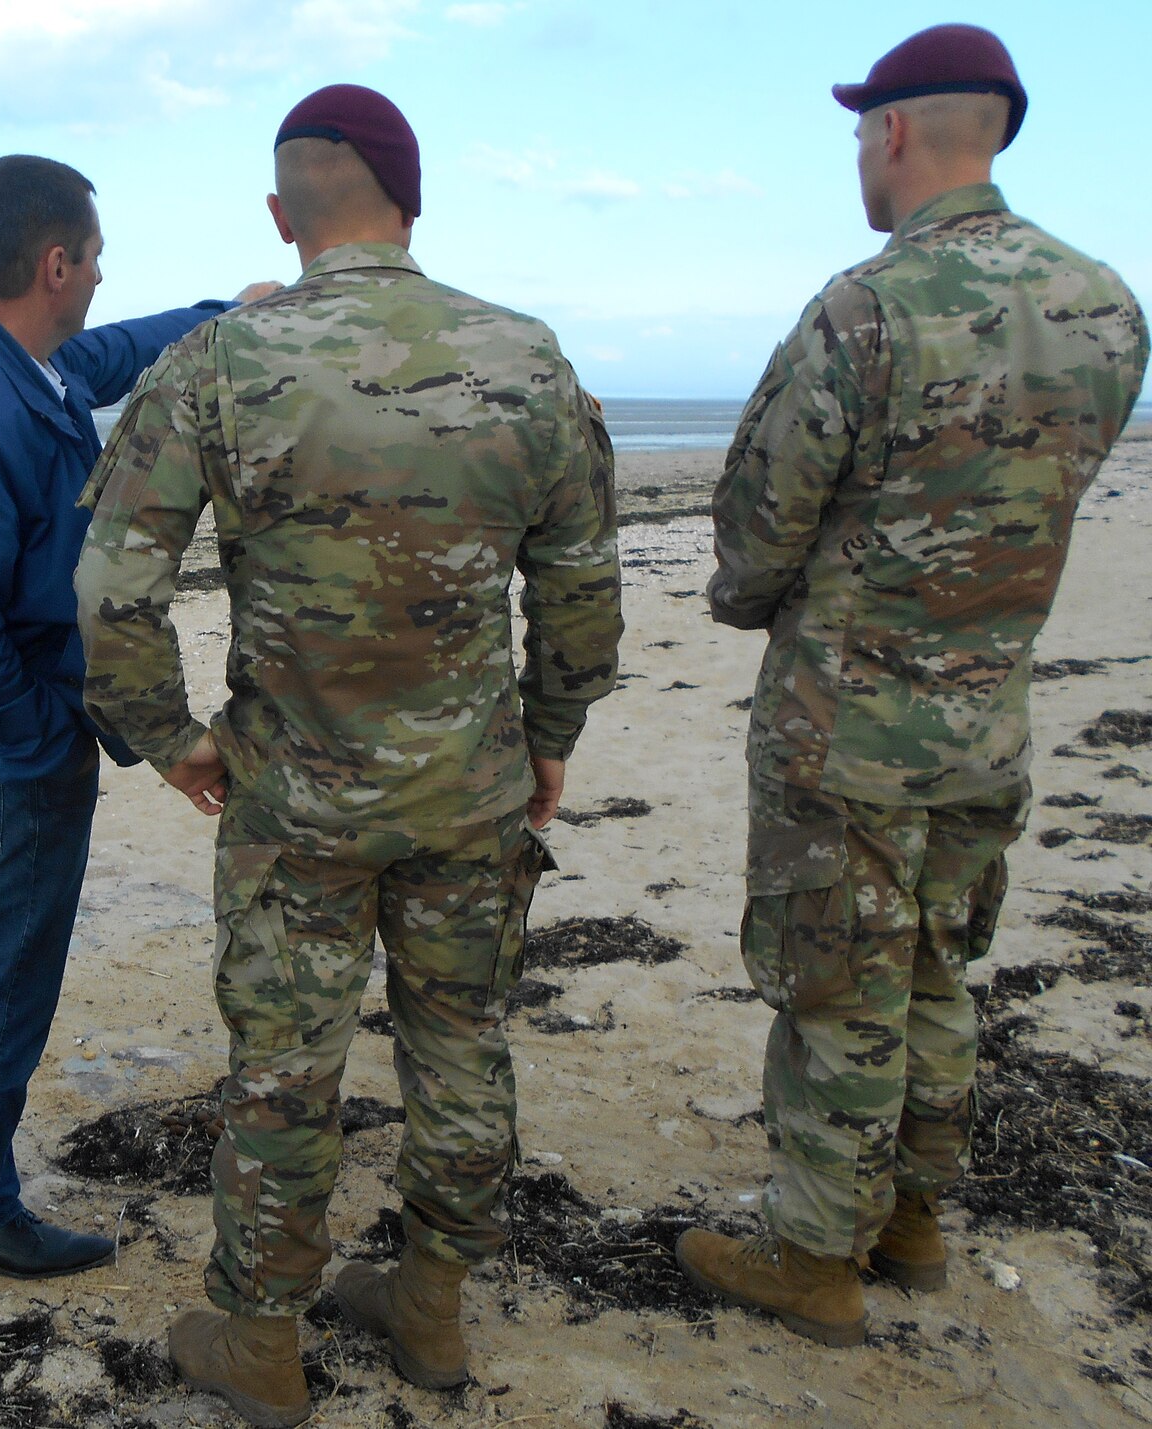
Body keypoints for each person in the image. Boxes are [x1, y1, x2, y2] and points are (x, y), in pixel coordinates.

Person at [76, 86, 622, 1426]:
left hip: (291, 796)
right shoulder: (526, 358)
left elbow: (106, 589)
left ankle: (261, 1334)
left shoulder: (220, 361)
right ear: (413, 200)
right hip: (468, 787)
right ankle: (431, 1302)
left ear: (282, 215)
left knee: (283, 1058)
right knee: (460, 1040)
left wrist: (169, 738)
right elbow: (585, 591)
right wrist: (547, 737)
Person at [676, 24, 1148, 1347]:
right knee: (941, 965)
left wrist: (758, 603)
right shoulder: (1106, 304)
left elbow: (761, 520)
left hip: (847, 723)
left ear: (892, 133)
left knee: (840, 982)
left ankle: (817, 1256)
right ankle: (916, 1218)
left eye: (857, 136)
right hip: (988, 712)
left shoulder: (868, 306)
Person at [0, 154, 278, 1280]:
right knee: (11, 957)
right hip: (6, 735)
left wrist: (219, 318)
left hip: (14, 721)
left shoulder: (15, 359)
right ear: (55, 262)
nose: (98, 279)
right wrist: (41, 742)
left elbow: (102, 354)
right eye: (92, 260)